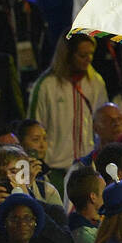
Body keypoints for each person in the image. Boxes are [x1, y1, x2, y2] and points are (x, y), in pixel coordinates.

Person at [27, 33, 110, 187]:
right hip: (55, 171)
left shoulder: (96, 82)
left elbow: (102, 124)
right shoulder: (46, 86)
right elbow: (33, 129)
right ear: (67, 55)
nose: (89, 59)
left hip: (87, 169)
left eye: (91, 54)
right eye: (82, 55)